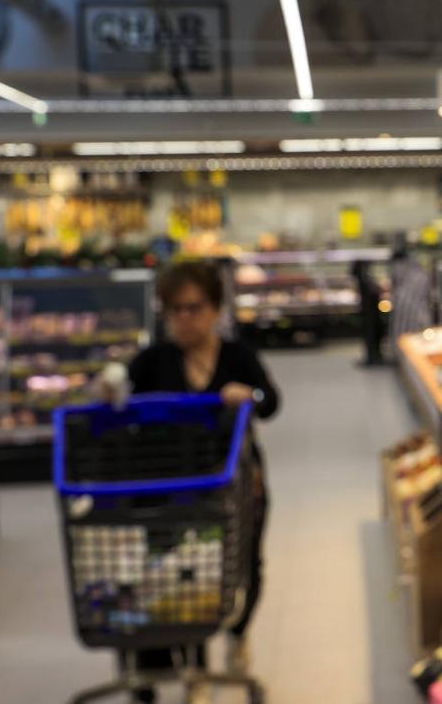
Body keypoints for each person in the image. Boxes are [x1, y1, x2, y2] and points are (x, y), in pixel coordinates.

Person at [107, 261, 279, 703]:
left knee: (247, 570)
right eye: (174, 311)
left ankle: (238, 633)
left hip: (237, 485)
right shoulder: (152, 361)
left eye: (193, 308)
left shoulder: (238, 357)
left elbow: (270, 400)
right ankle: (197, 668)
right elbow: (117, 401)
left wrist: (250, 396)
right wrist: (109, 392)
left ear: (215, 308)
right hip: (174, 490)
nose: (184, 319)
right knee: (188, 579)